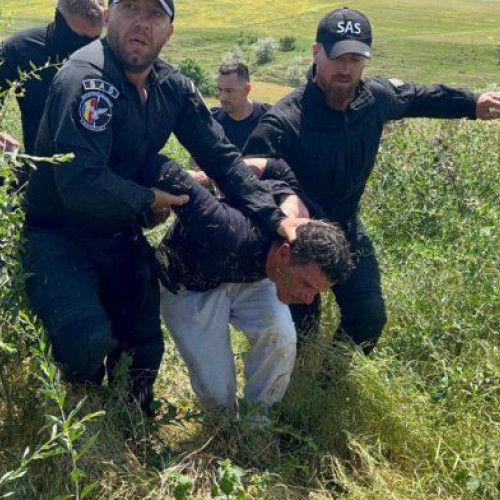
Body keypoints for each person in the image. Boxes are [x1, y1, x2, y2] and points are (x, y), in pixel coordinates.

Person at [22, 0, 300, 414]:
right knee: (85, 340)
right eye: (130, 8)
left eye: (154, 15)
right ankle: (81, 417)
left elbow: (222, 159)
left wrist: (275, 218)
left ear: (169, 31)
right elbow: (79, 182)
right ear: (109, 17)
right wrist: (149, 199)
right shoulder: (88, 79)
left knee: (144, 347)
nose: (141, 23)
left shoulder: (172, 87)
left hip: (118, 229)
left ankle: (131, 422)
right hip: (58, 233)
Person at [243, 7, 500, 354]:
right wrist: (283, 206)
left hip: (347, 227)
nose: (346, 68)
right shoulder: (284, 121)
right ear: (316, 53)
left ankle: (330, 377)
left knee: (368, 316)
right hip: (297, 238)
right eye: (338, 58)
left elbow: (418, 97)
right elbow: (248, 177)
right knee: (300, 330)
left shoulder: (373, 98)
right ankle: (295, 382)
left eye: (356, 59)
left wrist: (472, 103)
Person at [147, 155, 353, 414]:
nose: (308, 298)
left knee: (280, 338)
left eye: (316, 291)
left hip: (258, 275)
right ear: (284, 253)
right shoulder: (225, 229)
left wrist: (290, 195)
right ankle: (224, 424)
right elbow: (171, 176)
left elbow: (280, 168)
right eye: (306, 284)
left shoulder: (299, 223)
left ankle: (256, 421)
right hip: (190, 282)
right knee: (216, 393)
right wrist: (204, 178)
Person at [0, 0, 105, 161]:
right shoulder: (23, 49)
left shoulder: (111, 55)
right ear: (59, 19)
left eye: (93, 40)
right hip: (40, 166)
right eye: (77, 39)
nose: (85, 49)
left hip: (99, 167)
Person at [212, 61, 271, 151]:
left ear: (247, 89)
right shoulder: (211, 121)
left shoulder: (268, 119)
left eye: (229, 91)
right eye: (220, 90)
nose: (222, 97)